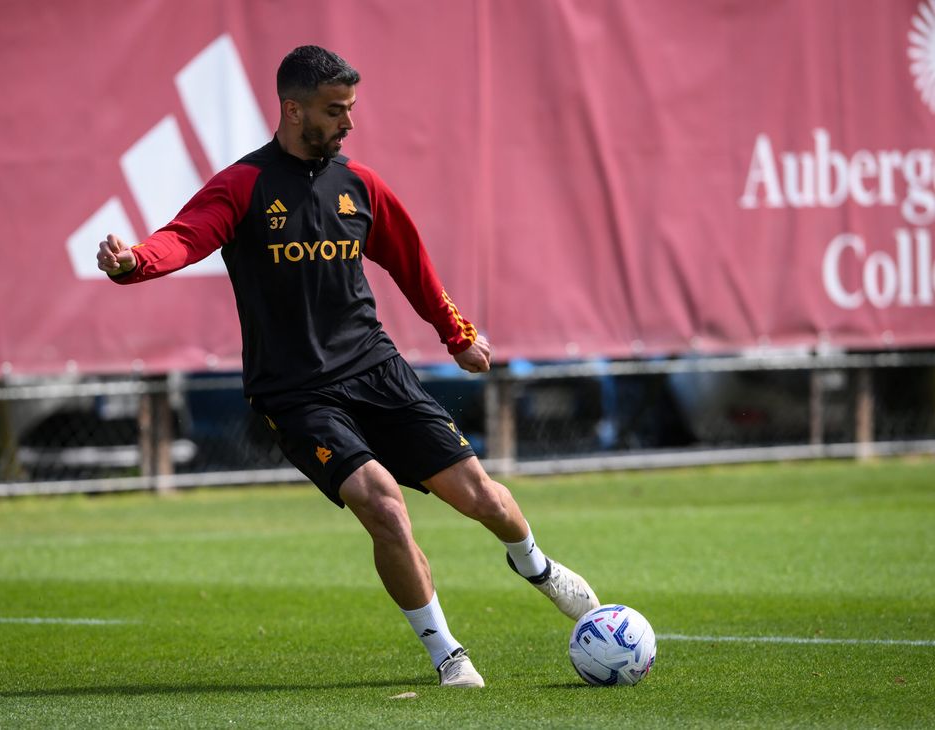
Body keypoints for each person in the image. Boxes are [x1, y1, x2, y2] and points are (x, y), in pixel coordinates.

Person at [97, 45, 599, 688]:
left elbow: (413, 265)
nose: (348, 123)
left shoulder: (360, 186)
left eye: (351, 109)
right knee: (384, 507)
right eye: (336, 112)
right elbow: (183, 237)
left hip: (375, 369)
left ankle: (537, 568)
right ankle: (449, 656)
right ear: (292, 109)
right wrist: (134, 261)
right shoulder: (243, 187)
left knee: (484, 500)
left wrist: (457, 336)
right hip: (296, 393)